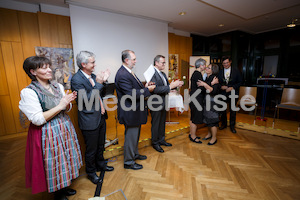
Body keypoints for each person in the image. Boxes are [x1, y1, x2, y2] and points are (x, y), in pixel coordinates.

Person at [19, 56, 83, 200]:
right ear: (33, 71)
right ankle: (57, 193)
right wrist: (60, 105)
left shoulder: (57, 86)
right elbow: (37, 119)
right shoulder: (28, 92)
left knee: (65, 156)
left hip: (64, 126)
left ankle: (65, 186)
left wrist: (67, 103)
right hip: (47, 131)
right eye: (44, 67)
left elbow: (65, 108)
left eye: (49, 66)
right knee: (54, 161)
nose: (49, 70)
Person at [71, 51, 114, 185]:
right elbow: (86, 101)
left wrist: (104, 81)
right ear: (83, 64)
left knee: (101, 145)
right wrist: (99, 83)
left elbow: (102, 93)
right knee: (91, 149)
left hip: (100, 116)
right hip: (89, 120)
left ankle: (101, 165)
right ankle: (91, 172)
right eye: (92, 62)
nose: (95, 64)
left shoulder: (93, 76)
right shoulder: (76, 80)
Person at [115, 50, 156, 170]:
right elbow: (131, 94)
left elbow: (136, 89)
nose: (136, 61)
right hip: (130, 112)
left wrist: (146, 87)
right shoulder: (123, 74)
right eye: (134, 59)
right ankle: (128, 162)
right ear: (126, 60)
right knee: (131, 137)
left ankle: (134, 154)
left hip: (135, 111)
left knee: (135, 135)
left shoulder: (128, 72)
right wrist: (149, 90)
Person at [149, 55, 183, 152]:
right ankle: (155, 143)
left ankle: (161, 140)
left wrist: (172, 88)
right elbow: (155, 89)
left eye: (164, 62)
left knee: (162, 123)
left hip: (163, 101)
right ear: (156, 63)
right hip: (155, 103)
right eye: (162, 62)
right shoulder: (152, 74)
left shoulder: (162, 74)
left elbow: (165, 87)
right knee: (156, 124)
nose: (164, 64)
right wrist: (170, 87)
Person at [218, 56, 243, 133]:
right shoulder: (220, 72)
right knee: (222, 110)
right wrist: (221, 87)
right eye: (224, 63)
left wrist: (232, 87)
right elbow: (217, 83)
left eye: (227, 63)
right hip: (223, 93)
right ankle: (224, 124)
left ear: (230, 62)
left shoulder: (236, 71)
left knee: (233, 111)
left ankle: (232, 126)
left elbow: (240, 82)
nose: (226, 64)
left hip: (233, 93)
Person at [198, 64, 221, 145]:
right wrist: (209, 84)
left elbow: (212, 90)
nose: (206, 68)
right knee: (208, 119)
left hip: (213, 102)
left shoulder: (215, 78)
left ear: (213, 70)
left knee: (213, 120)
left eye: (209, 68)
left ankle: (214, 138)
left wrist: (205, 84)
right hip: (207, 101)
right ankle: (209, 134)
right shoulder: (207, 78)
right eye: (207, 67)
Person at [189, 58, 207, 143]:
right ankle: (193, 136)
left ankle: (192, 134)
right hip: (196, 99)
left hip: (194, 98)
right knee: (195, 119)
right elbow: (201, 88)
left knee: (193, 117)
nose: (205, 66)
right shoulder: (197, 74)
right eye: (204, 65)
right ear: (200, 65)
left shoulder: (196, 73)